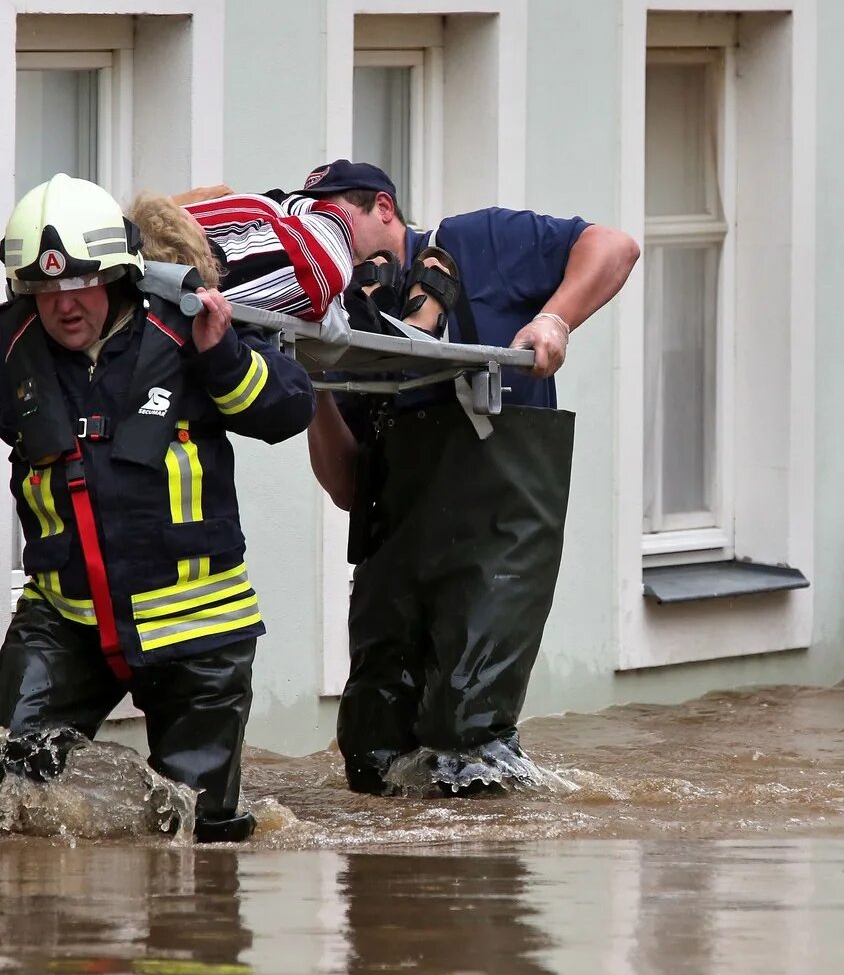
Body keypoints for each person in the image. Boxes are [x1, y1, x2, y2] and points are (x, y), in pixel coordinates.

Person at [301, 160, 639, 795]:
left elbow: (615, 246)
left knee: (465, 741)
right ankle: (383, 890)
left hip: (498, 537)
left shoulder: (477, 242)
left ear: (383, 208)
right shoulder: (347, 321)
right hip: (396, 544)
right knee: (371, 742)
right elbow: (349, 488)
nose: (328, 238)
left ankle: (480, 876)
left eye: (336, 218)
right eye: (314, 225)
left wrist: (555, 319)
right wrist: (313, 390)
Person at [0, 173, 317, 841]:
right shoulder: (12, 351)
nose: (63, 306)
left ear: (116, 275)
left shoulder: (184, 328)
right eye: (45, 291)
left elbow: (287, 408)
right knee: (9, 781)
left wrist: (223, 356)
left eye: (79, 284)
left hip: (197, 633)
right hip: (66, 621)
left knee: (198, 835)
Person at [125, 186, 354, 320]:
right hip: (345, 295)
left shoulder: (136, 271)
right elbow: (335, 232)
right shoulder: (245, 269)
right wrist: (280, 203)